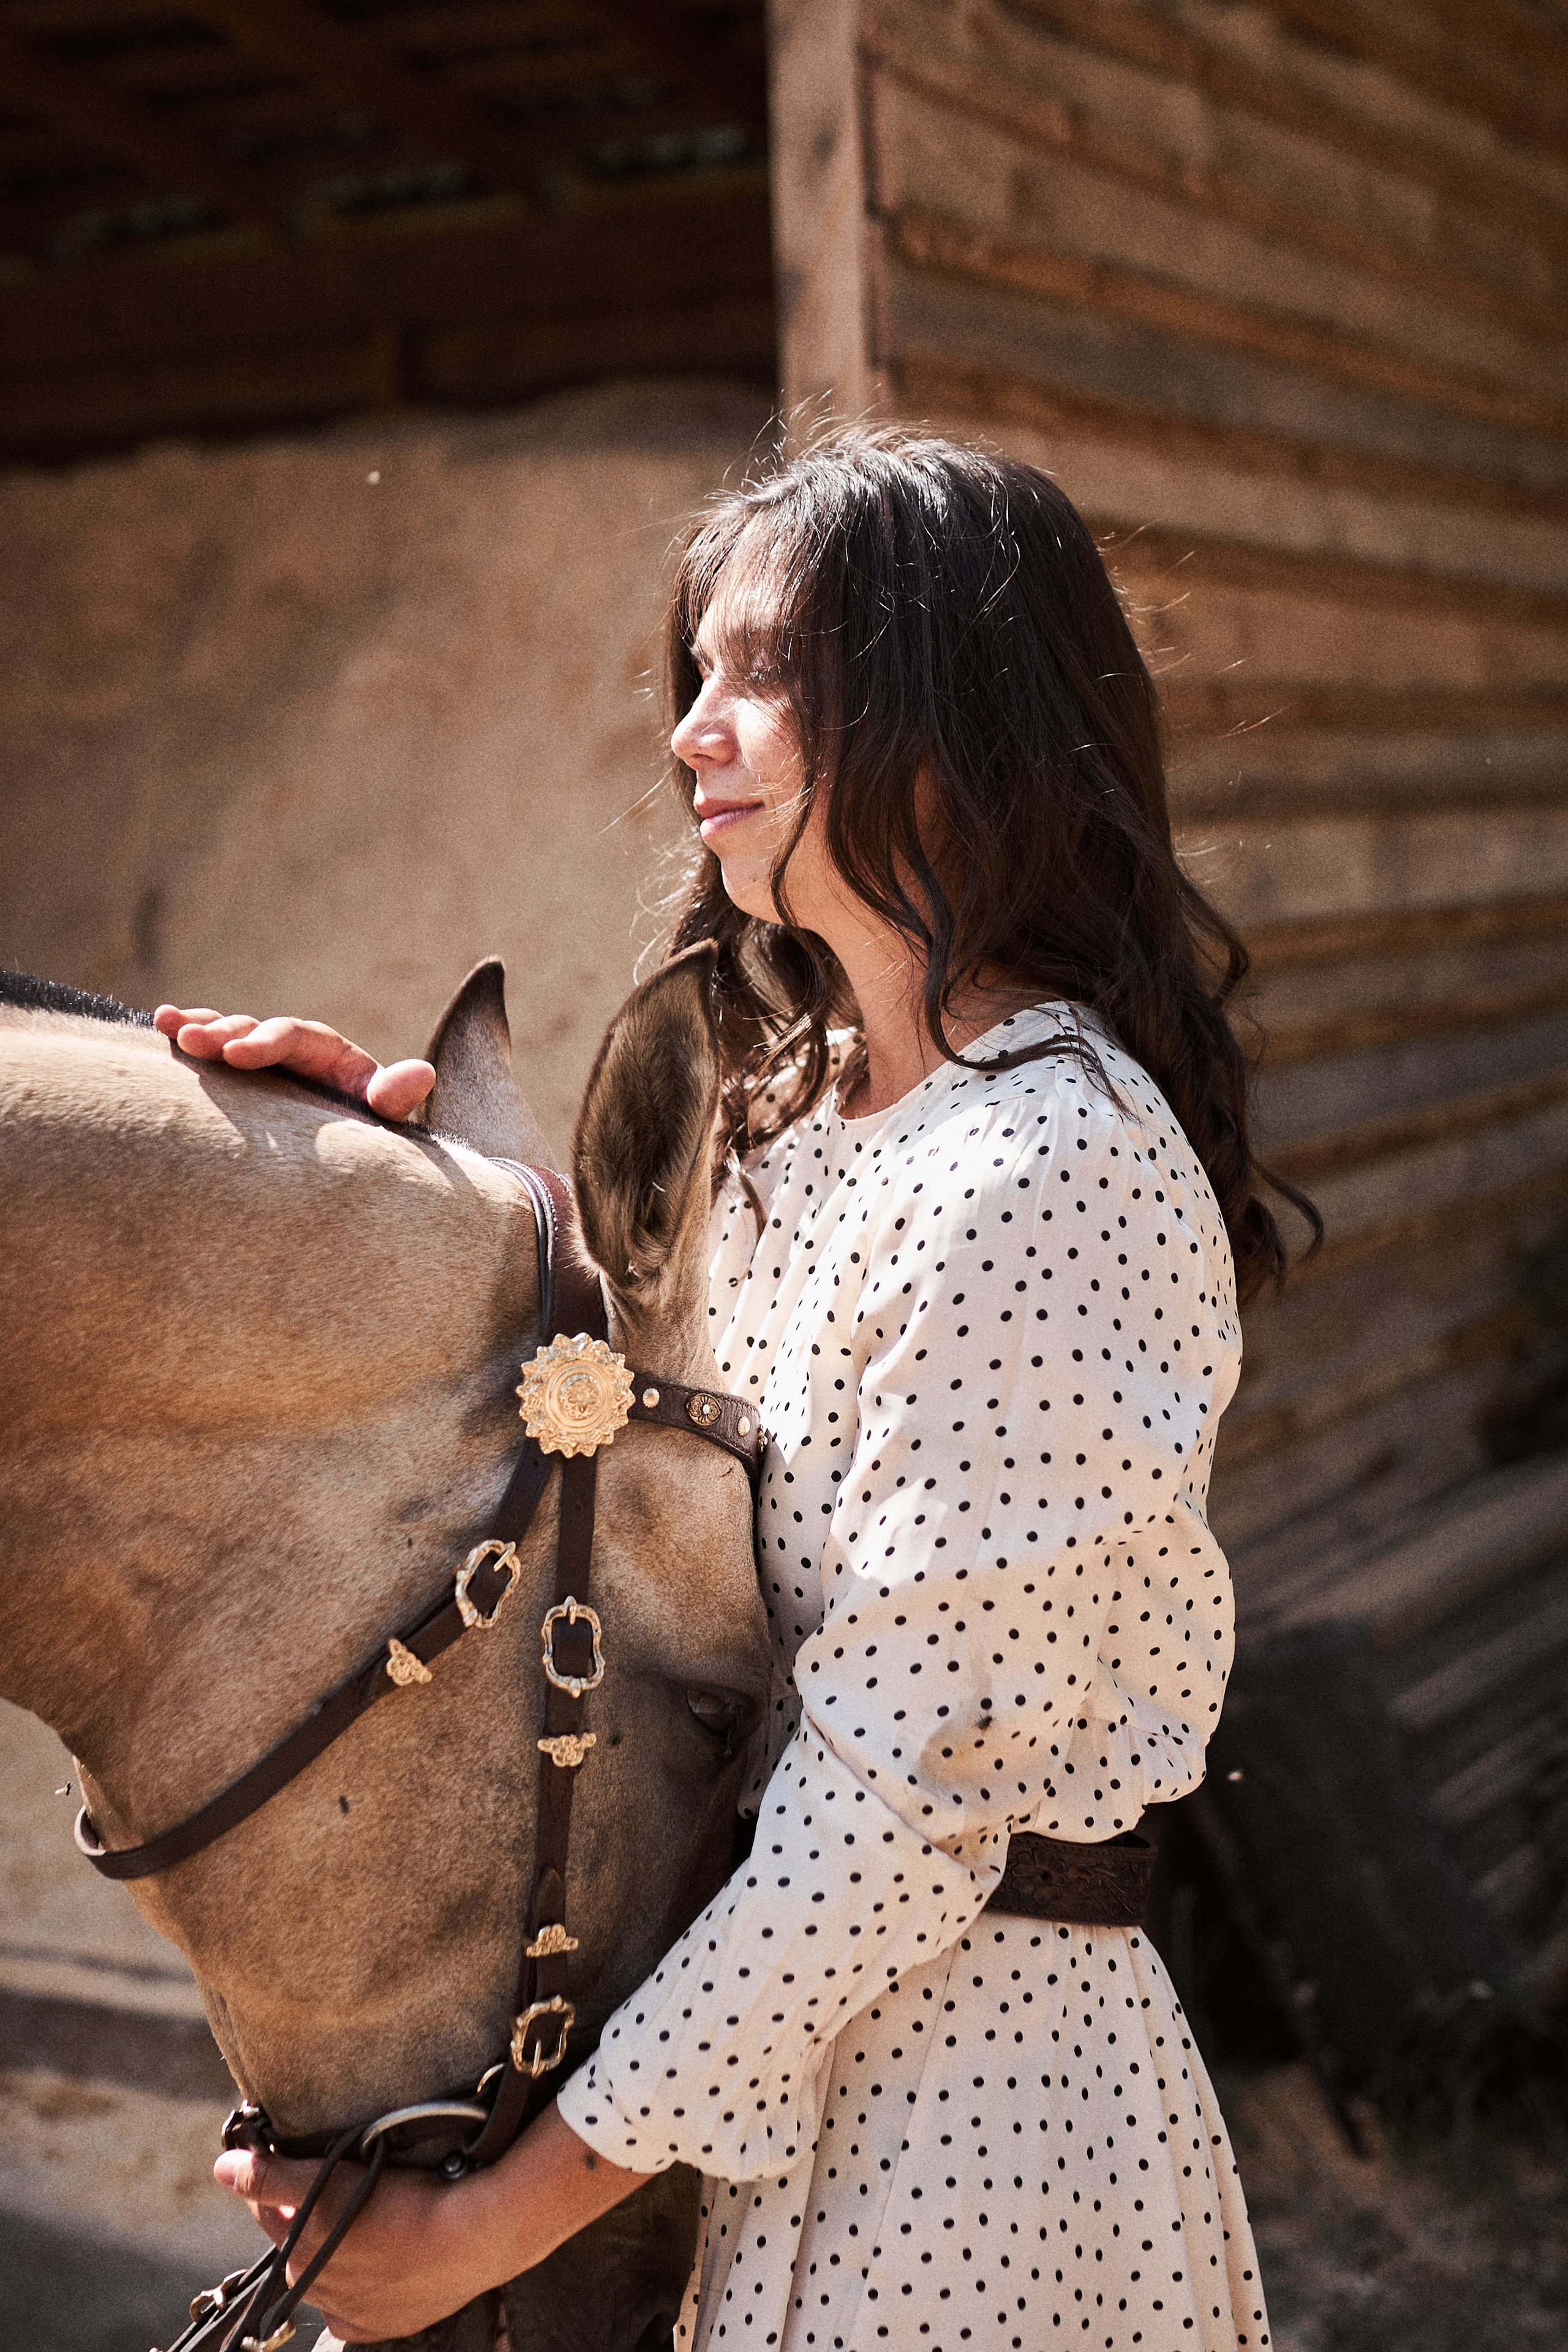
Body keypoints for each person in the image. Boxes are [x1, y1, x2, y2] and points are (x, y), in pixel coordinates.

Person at [160, 429, 1313, 2350]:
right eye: (691, 675)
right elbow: (659, 1462)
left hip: (974, 2145)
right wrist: (373, 1196)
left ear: (960, 700)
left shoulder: (1052, 1170)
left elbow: (895, 1814)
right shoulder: (815, 1127)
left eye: (762, 670)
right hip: (790, 2111)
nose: (696, 729)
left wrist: (494, 2229)